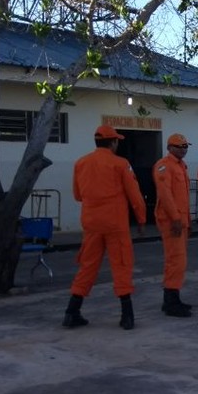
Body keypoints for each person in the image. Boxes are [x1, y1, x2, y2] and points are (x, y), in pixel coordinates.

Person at [63, 125, 147, 330]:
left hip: (91, 222)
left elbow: (77, 195)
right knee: (121, 265)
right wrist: (142, 219)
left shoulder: (81, 163)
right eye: (117, 141)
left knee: (88, 266)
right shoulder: (120, 164)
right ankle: (127, 316)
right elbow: (134, 195)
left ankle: (71, 312)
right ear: (113, 142)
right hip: (115, 223)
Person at [153, 133, 193, 317]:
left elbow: (183, 197)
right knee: (175, 260)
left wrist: (187, 221)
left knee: (179, 260)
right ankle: (170, 302)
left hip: (180, 221)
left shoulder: (181, 166)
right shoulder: (164, 166)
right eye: (180, 146)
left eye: (185, 146)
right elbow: (166, 195)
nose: (183, 149)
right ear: (170, 148)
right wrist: (176, 219)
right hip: (171, 221)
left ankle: (173, 298)